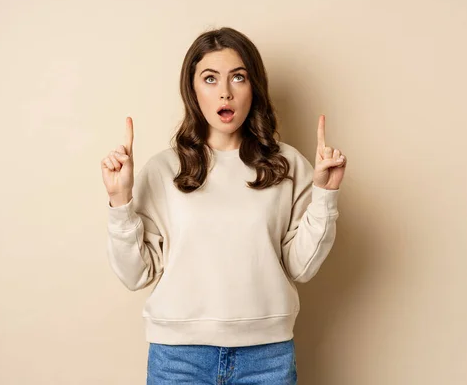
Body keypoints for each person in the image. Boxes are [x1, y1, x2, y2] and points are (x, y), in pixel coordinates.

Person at [101, 27, 347, 385]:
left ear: (254, 87)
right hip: (178, 360)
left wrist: (325, 193)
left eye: (238, 77)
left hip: (267, 357)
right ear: (193, 89)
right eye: (211, 79)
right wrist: (120, 200)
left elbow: (301, 267)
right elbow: (135, 274)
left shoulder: (287, 165)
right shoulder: (162, 169)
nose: (226, 92)